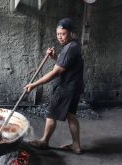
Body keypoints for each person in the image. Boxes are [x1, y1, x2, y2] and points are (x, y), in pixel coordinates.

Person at [24, 18, 84, 154]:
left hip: (65, 88)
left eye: (63, 34)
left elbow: (56, 72)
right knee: (71, 115)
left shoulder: (70, 48)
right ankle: (76, 145)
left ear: (71, 33)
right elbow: (65, 66)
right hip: (75, 87)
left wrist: (34, 84)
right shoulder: (74, 45)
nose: (60, 37)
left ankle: (44, 141)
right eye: (58, 34)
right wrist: (55, 57)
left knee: (51, 114)